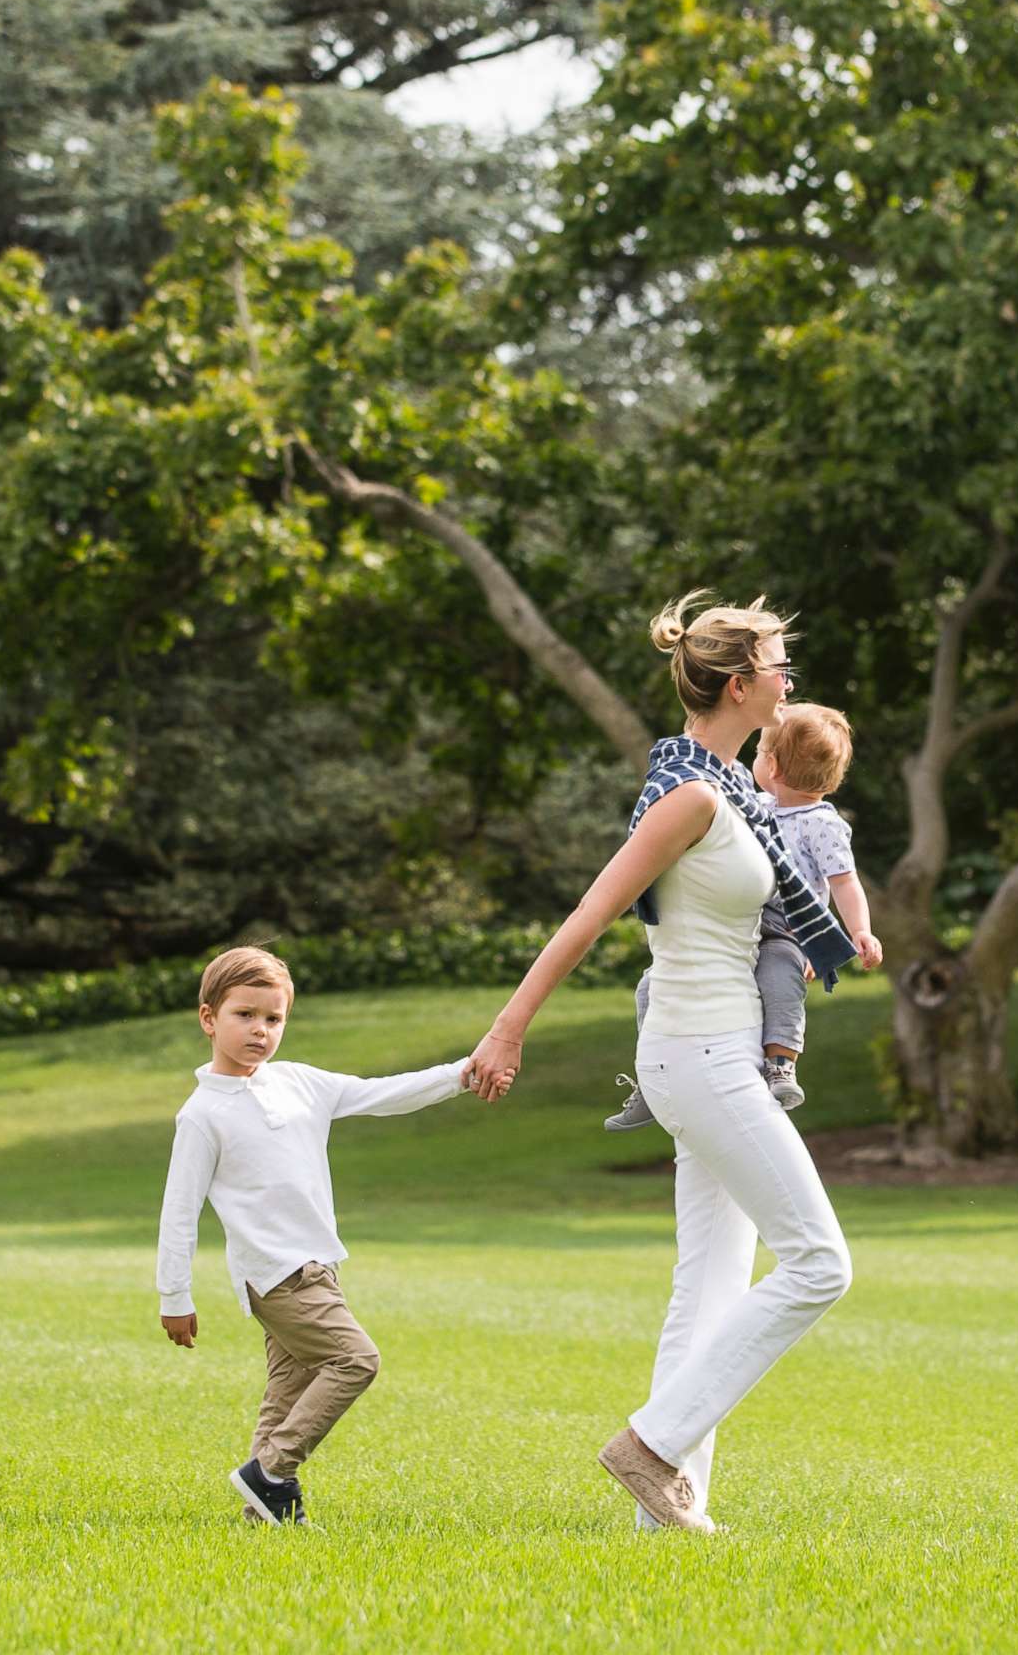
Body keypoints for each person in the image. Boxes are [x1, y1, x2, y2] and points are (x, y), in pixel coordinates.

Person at [466, 593, 858, 1534]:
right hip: (703, 1054)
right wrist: (507, 1029)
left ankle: (665, 1519)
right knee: (819, 1264)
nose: (789, 680)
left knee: (712, 1285)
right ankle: (650, 1444)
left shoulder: (732, 792)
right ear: (738, 685)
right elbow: (590, 915)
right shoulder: (690, 797)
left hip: (707, 1052)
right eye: (776, 664)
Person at [155, 947, 481, 1528]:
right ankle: (272, 1472)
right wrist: (174, 1298)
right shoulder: (202, 1114)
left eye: (273, 1019)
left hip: (317, 1268)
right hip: (274, 1276)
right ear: (209, 1019)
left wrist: (463, 1074)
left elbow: (387, 1093)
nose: (260, 1030)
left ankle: (263, 1512)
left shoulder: (300, 1083)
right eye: (245, 1015)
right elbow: (178, 1214)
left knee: (288, 1389)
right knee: (356, 1360)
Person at [606, 700, 882, 1129]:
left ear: (771, 766)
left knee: (782, 978)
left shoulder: (821, 823)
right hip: (739, 919)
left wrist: (859, 930)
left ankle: (780, 1063)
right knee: (651, 986)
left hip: (786, 927)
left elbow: (844, 881)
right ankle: (650, 1078)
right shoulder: (749, 802)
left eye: (757, 752)